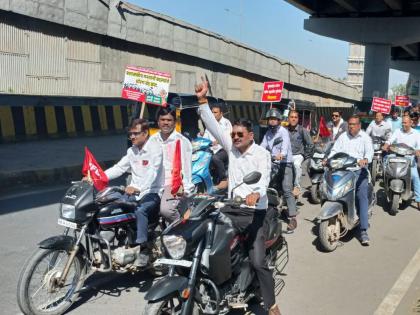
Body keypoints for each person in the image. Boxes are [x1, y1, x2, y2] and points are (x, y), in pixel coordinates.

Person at [196, 78, 281, 315]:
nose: (234, 137)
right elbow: (212, 124)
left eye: (239, 134)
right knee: (205, 235)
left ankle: (271, 303)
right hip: (230, 209)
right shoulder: (231, 148)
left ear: (251, 135)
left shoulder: (261, 154)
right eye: (233, 134)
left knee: (258, 262)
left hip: (254, 213)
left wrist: (256, 193)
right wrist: (203, 100)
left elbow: (263, 179)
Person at [103, 118, 164, 266]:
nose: (132, 137)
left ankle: (143, 249)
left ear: (145, 133)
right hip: (133, 193)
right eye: (130, 134)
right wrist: (97, 177)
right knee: (110, 206)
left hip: (152, 191)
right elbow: (119, 168)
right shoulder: (131, 151)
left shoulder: (155, 149)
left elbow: (152, 172)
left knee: (140, 210)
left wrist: (139, 188)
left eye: (135, 134)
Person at [327, 115, 374, 246]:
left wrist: (365, 160)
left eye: (354, 124)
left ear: (359, 126)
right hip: (342, 169)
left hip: (359, 171)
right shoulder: (343, 136)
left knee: (361, 196)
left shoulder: (365, 138)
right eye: (350, 124)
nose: (351, 126)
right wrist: (328, 159)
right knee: (332, 189)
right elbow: (335, 150)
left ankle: (363, 230)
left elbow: (369, 153)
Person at [148, 106, 194, 222]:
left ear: (174, 122)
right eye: (163, 120)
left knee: (166, 210)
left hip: (174, 184)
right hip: (154, 184)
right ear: (158, 122)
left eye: (169, 120)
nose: (165, 123)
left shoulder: (182, 141)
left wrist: (186, 190)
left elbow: (187, 169)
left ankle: (179, 230)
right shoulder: (152, 140)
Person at [261, 108, 297, 233]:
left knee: (287, 189)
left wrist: (282, 154)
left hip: (285, 163)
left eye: (274, 119)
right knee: (267, 187)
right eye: (270, 119)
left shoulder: (283, 132)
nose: (271, 121)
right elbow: (262, 147)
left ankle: (292, 218)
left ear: (279, 120)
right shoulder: (267, 134)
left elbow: (285, 146)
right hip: (273, 163)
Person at [383, 115, 420, 210]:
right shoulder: (397, 131)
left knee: (415, 177)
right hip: (396, 156)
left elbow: (419, 147)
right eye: (402, 122)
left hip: (409, 158)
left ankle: (418, 200)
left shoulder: (416, 133)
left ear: (411, 123)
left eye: (405, 123)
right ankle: (386, 185)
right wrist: (386, 144)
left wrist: (417, 151)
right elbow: (390, 140)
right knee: (386, 162)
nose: (403, 124)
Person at [200, 103, 232, 188]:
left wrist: (218, 141)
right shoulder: (209, 125)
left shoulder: (226, 123)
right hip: (211, 149)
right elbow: (205, 138)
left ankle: (224, 179)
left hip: (223, 149)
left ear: (221, 113)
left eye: (215, 112)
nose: (213, 115)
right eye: (212, 113)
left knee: (215, 158)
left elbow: (229, 136)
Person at [287, 110, 314, 197]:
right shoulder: (284, 130)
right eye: (291, 117)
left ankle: (297, 187)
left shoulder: (302, 130)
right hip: (286, 155)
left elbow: (310, 144)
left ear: (298, 119)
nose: (293, 119)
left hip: (298, 155)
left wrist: (305, 155)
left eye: (295, 117)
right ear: (288, 118)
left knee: (296, 165)